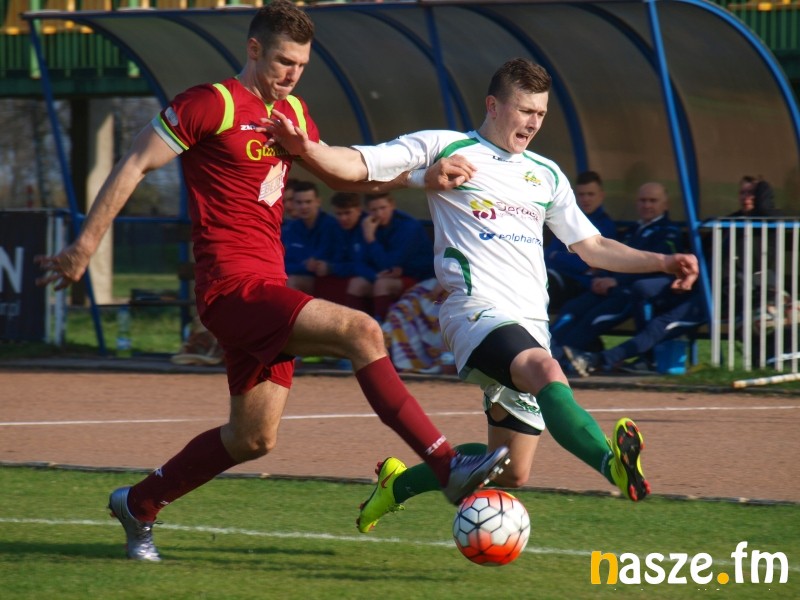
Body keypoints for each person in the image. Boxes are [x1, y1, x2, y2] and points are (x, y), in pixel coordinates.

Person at [34, 1, 510, 561]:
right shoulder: (211, 103)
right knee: (362, 330)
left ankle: (138, 503)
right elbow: (135, 162)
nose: (292, 74)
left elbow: (338, 173)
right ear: (254, 48)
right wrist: (84, 246)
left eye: (302, 65)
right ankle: (446, 465)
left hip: (268, 287)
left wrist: (422, 177)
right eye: (284, 61)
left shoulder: (294, 114)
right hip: (229, 288)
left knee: (253, 437)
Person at [266, 57, 699, 532]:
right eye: (524, 110)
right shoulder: (445, 147)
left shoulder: (546, 174)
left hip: (530, 325)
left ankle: (396, 485)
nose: (533, 123)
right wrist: (308, 148)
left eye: (541, 114)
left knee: (511, 469)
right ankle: (611, 465)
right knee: (546, 370)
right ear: (493, 106)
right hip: (474, 312)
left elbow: (592, 247)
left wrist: (662, 262)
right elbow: (357, 164)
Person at [549, 181, 685, 360]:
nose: (647, 205)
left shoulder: (669, 233)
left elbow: (657, 269)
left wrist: (617, 281)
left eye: (653, 201)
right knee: (572, 308)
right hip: (607, 288)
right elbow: (612, 257)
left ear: (665, 205)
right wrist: (602, 277)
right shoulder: (631, 231)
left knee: (595, 317)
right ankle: (549, 352)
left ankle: (563, 358)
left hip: (629, 292)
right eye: (643, 200)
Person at [545, 170, 616, 311]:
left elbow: (585, 263)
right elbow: (548, 255)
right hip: (557, 278)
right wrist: (565, 258)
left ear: (601, 195)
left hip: (581, 285)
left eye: (591, 194)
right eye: (582, 194)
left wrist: (558, 256)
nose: (586, 199)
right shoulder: (568, 220)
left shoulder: (606, 226)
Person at [358, 192, 435, 321]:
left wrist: (370, 239)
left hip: (420, 277)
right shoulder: (368, 225)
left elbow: (390, 263)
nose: (379, 214)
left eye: (383, 208)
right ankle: (356, 324)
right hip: (389, 274)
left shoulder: (408, 227)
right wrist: (374, 275)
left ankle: (383, 327)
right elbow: (359, 262)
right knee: (358, 283)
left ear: (392, 205)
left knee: (382, 284)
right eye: (374, 210)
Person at [282, 180, 339, 294]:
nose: (304, 206)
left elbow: (342, 258)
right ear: (294, 204)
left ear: (318, 202)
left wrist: (329, 267)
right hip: (303, 278)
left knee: (292, 282)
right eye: (299, 202)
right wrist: (304, 266)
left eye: (308, 202)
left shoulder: (332, 225)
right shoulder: (290, 228)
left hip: (331, 279)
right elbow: (283, 264)